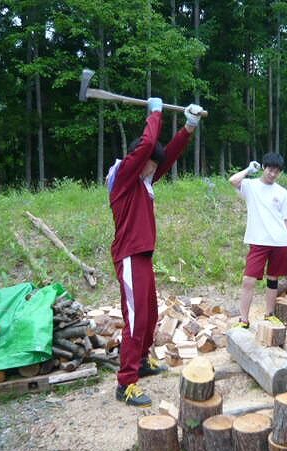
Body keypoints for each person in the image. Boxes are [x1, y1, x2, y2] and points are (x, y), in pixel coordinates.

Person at [107, 98, 203, 407]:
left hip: (143, 257)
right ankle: (126, 383)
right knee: (135, 321)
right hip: (130, 257)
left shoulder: (144, 181)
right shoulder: (124, 180)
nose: (154, 167)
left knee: (149, 316)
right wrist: (156, 113)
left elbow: (167, 156)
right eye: (149, 161)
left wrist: (189, 126)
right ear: (138, 159)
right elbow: (149, 142)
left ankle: (142, 363)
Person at [229, 153, 287, 328]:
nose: (273, 174)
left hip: (279, 242)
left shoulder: (282, 192)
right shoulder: (251, 186)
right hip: (258, 241)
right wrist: (248, 170)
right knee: (248, 280)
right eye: (270, 169)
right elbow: (233, 181)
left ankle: (269, 314)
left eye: (277, 171)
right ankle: (243, 320)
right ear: (264, 168)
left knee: (273, 279)